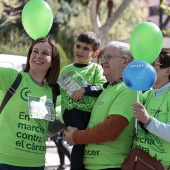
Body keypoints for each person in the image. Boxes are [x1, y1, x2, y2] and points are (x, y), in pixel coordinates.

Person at [64, 41, 137, 170]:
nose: (103, 61)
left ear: (125, 61)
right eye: (103, 57)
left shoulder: (128, 88)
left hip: (111, 166)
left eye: (109, 57)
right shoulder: (106, 90)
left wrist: (75, 136)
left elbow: (111, 130)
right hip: (91, 165)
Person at [0, 37, 60, 170]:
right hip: (6, 161)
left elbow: (49, 129)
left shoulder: (52, 93)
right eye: (35, 51)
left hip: (36, 163)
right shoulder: (12, 77)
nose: (38, 56)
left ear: (52, 62)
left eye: (45, 53)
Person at [58, 31, 106, 170]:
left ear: (95, 54)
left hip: (90, 114)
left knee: (88, 144)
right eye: (78, 46)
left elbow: (102, 87)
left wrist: (85, 89)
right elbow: (58, 91)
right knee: (79, 142)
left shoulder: (96, 69)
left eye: (86, 48)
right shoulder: (66, 69)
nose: (80, 50)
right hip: (72, 112)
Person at [132, 48, 170, 169]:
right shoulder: (145, 94)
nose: (147, 68)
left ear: (167, 71)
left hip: (159, 166)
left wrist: (148, 120)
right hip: (136, 162)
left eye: (153, 64)